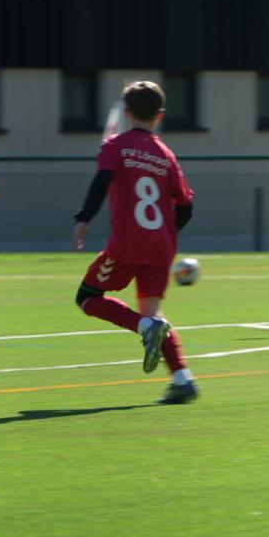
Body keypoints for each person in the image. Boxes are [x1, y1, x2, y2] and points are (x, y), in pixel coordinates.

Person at [71, 80, 199, 404]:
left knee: (87, 297)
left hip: (128, 243)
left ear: (126, 113)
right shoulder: (166, 155)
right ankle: (183, 380)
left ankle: (144, 327)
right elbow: (186, 206)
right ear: (160, 115)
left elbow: (102, 180)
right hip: (161, 245)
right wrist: (164, 235)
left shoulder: (115, 145)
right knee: (154, 313)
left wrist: (84, 217)